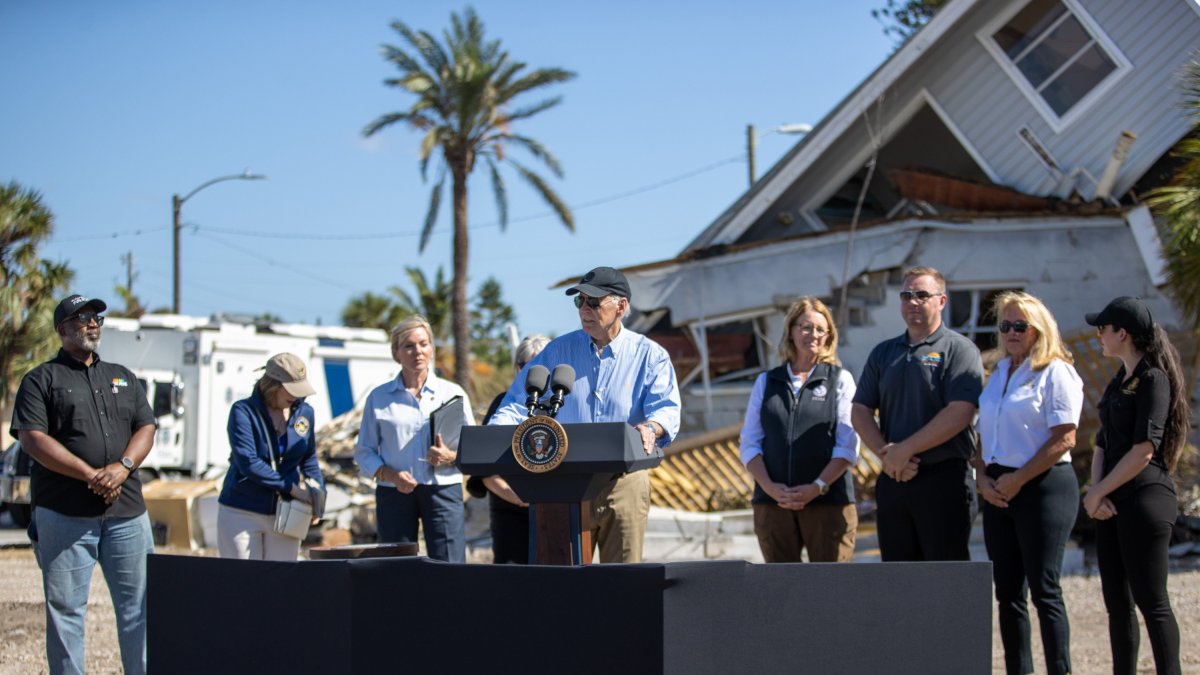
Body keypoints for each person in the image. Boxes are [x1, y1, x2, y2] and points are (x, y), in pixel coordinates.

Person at [489, 266, 681, 563]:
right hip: (563, 481)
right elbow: (516, 403)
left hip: (624, 481)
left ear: (622, 306)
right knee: (565, 585)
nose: (585, 310)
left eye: (594, 302)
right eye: (580, 302)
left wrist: (652, 428)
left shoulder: (650, 355)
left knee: (623, 584)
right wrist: (494, 433)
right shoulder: (557, 351)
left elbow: (666, 409)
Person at [10, 294, 156, 674]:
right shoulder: (41, 380)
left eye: (97, 318)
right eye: (82, 318)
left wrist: (122, 468)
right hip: (65, 514)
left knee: (141, 607)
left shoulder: (122, 376)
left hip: (127, 514)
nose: (93, 324)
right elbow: (32, 439)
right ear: (62, 330)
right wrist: (91, 475)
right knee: (66, 612)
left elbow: (146, 426)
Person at [974, 292, 1083, 675]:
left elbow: (1065, 437)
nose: (1012, 332)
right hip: (998, 487)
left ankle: (1059, 669)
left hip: (1042, 485)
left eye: (1020, 325)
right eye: (1005, 325)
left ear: (1039, 329)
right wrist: (982, 478)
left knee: (1044, 589)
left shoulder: (1055, 371)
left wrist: (1018, 479)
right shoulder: (999, 373)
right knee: (1007, 592)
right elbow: (983, 436)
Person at [851, 265, 983, 561]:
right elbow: (859, 410)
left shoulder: (959, 349)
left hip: (944, 478)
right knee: (900, 581)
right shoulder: (884, 353)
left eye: (922, 295)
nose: (912, 302)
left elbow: (961, 412)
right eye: (906, 295)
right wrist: (887, 456)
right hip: (895, 479)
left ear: (941, 301)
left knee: (944, 580)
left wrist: (905, 450)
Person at [1083, 296, 1186, 675]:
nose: (1098, 336)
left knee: (1151, 601)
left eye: (1102, 329)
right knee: (1117, 604)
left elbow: (1144, 449)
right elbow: (1102, 444)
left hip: (1144, 498)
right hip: (1111, 501)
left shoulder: (1153, 379)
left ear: (1121, 333)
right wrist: (1097, 493)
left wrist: (1098, 492)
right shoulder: (1117, 381)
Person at [739, 296, 859, 563]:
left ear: (829, 337)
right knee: (782, 593)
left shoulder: (840, 380)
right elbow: (750, 443)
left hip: (828, 504)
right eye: (805, 327)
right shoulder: (766, 381)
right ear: (791, 331)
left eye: (819, 329)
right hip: (773, 505)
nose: (812, 334)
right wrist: (770, 488)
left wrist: (816, 487)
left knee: (829, 590)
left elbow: (847, 446)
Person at [355, 315, 474, 562]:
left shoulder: (453, 393)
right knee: (395, 567)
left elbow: (474, 448)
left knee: (450, 567)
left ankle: (451, 603)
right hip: (394, 493)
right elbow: (364, 451)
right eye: (408, 346)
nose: (417, 351)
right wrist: (390, 475)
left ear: (431, 349)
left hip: (444, 489)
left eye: (423, 343)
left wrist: (450, 456)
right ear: (396, 353)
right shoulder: (379, 397)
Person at [217, 353, 324, 561]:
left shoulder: (305, 412)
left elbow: (309, 458)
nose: (296, 397)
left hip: (287, 513)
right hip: (242, 510)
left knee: (281, 582)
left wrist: (318, 495)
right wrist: (292, 488)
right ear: (272, 385)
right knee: (243, 582)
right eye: (291, 390)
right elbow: (249, 462)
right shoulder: (243, 411)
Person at [466, 335, 550, 564]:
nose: (536, 374)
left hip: (556, 515)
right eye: (529, 366)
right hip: (510, 514)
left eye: (543, 366)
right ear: (517, 368)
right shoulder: (502, 405)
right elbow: (484, 471)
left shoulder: (564, 405)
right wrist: (520, 497)